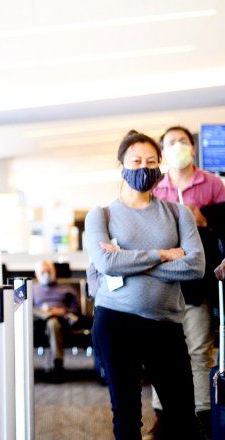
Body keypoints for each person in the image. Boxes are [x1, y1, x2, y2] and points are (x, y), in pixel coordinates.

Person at [85, 130, 205, 440]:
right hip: (115, 322)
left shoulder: (178, 214)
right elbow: (107, 263)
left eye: (151, 161)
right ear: (120, 165)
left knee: (183, 419)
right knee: (127, 416)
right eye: (136, 161)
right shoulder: (101, 215)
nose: (143, 167)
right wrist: (163, 255)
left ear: (160, 164)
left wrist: (131, 263)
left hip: (165, 324)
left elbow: (195, 266)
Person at [144, 125, 225, 438]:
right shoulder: (156, 188)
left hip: (198, 278)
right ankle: (163, 416)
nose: (178, 146)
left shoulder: (213, 185)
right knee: (159, 350)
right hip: (163, 282)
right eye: (171, 143)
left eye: (183, 141)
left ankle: (202, 414)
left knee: (198, 348)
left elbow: (223, 228)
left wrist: (204, 218)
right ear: (163, 153)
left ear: (193, 147)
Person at [32, 260, 81, 382]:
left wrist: (61, 311)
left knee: (52, 322)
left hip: (60, 322)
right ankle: (47, 315)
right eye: (42, 272)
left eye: (48, 271)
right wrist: (45, 312)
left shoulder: (66, 289)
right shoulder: (32, 289)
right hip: (37, 321)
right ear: (36, 274)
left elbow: (76, 311)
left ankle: (57, 366)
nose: (46, 274)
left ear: (54, 271)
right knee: (29, 309)